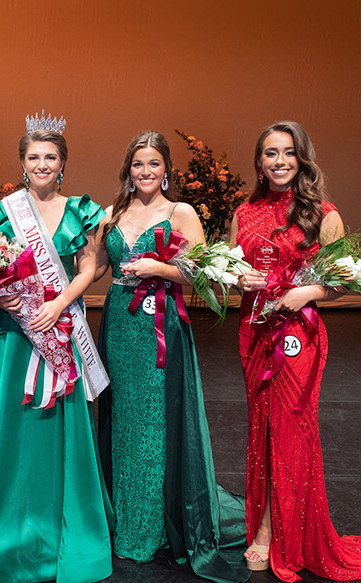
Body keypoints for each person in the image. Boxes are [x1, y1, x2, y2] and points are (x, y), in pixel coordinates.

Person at [232, 121, 361, 581]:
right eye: (270, 153)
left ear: (301, 158)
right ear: (259, 162)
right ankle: (275, 522)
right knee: (261, 430)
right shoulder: (244, 212)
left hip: (297, 338)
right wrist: (235, 279)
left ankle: (271, 532)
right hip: (253, 331)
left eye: (288, 152)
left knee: (290, 430)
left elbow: (343, 283)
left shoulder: (323, 213)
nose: (280, 161)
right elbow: (232, 267)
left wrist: (306, 295)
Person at [0, 119, 113, 583]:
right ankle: (5, 523)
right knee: (11, 421)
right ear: (22, 163)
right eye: (33, 157)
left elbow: (89, 267)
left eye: (50, 157)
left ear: (63, 163)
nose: (42, 164)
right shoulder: (1, 212)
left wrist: (58, 304)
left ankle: (58, 519)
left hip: (60, 325)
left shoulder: (81, 211)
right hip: (12, 332)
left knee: (57, 422)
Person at [94, 131, 248, 582]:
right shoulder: (113, 212)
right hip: (120, 326)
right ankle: (124, 515)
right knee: (122, 418)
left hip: (161, 324)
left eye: (154, 164)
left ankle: (151, 526)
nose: (145, 172)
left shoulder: (180, 212)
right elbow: (98, 267)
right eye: (138, 164)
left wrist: (159, 269)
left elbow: (200, 270)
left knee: (155, 421)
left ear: (166, 170)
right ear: (129, 169)